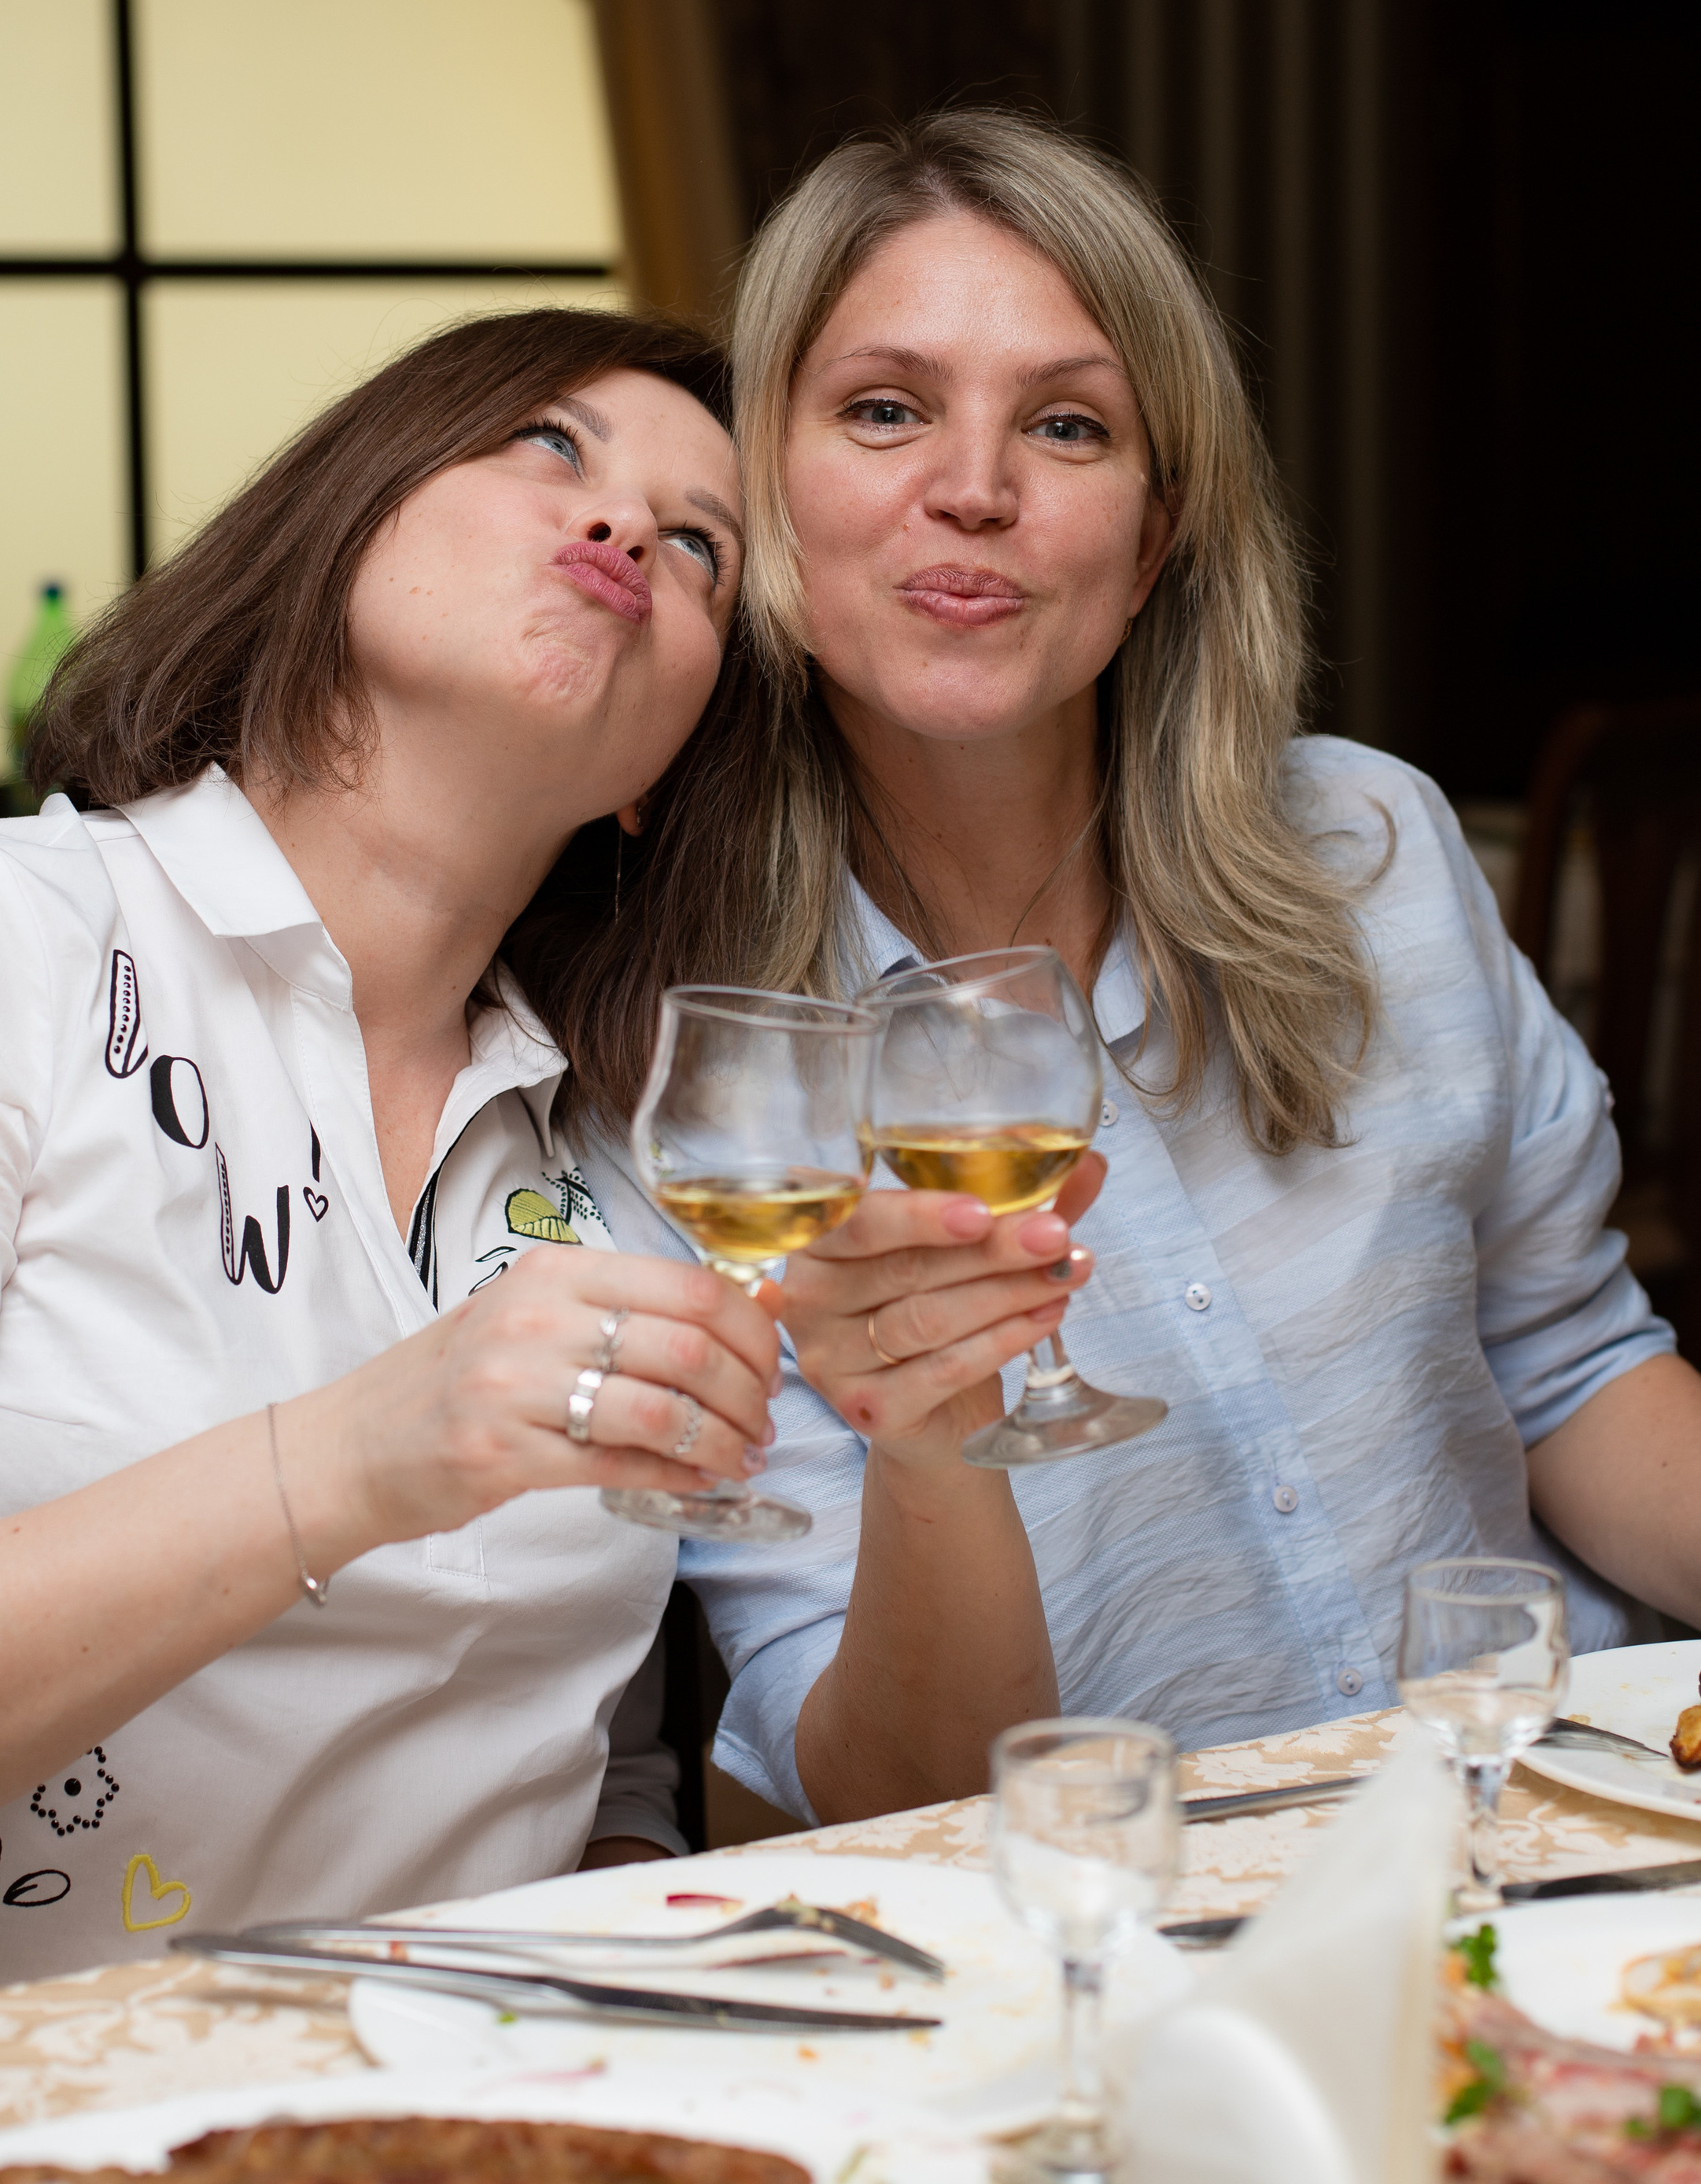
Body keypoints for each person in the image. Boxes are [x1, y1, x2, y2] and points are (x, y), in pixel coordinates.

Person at [0, 307, 802, 1998]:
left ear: (658, 772)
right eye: (549, 443)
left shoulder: (632, 1143)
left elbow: (601, 1749)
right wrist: (349, 1457)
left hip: (482, 2112)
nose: (626, 526)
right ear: (337, 522)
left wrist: (622, 1954)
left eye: (701, 544)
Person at [608, 109, 1686, 1830]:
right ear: (763, 487)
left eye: (1067, 424)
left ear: (1156, 532)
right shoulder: (685, 1086)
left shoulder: (1373, 849)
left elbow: (1566, 1372)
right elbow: (889, 1788)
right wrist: (927, 1429)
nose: (974, 486)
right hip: (1105, 1916)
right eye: (883, 409)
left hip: (1549, 1845)